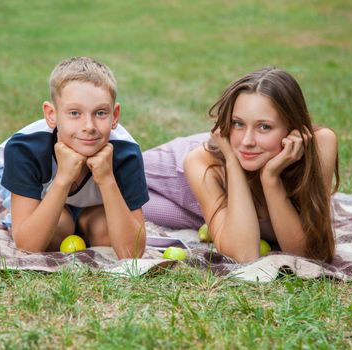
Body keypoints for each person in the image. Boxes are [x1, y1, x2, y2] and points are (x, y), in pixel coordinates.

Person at [143, 67, 339, 263]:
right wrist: (231, 160)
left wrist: (270, 179)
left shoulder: (320, 144)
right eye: (238, 123)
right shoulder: (201, 161)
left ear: (292, 127)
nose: (247, 141)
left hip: (200, 208)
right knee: (120, 207)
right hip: (163, 181)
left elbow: (309, 253)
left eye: (264, 127)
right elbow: (244, 255)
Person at [0, 57, 148, 259]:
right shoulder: (25, 149)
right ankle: (68, 219)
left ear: (115, 115)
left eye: (100, 113)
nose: (89, 126)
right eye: (74, 113)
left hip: (93, 199)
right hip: (38, 189)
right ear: (52, 114)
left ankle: (84, 218)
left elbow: (132, 252)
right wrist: (64, 177)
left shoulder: (126, 153)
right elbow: (27, 245)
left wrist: (107, 178)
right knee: (59, 227)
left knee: (103, 232)